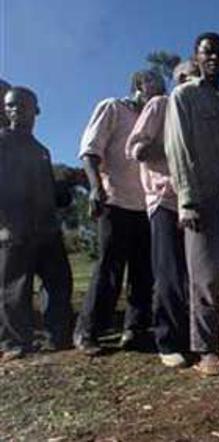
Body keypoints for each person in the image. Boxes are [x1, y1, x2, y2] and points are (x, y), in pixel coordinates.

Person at [74, 70, 164, 355]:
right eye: (155, 84)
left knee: (143, 272)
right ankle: (88, 332)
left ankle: (135, 331)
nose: (161, 90)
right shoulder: (113, 107)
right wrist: (95, 188)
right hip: (115, 200)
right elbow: (90, 150)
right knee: (110, 268)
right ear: (139, 85)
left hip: (147, 204)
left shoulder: (155, 118)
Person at [165, 32, 219, 376]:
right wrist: (187, 200)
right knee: (204, 277)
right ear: (196, 56)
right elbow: (177, 149)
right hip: (200, 199)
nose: (214, 57)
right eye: (207, 52)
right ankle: (205, 349)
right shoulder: (182, 96)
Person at [126, 60, 199, 368]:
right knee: (169, 273)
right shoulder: (160, 105)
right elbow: (137, 150)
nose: (191, 80)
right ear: (175, 80)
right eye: (184, 76)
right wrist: (176, 155)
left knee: (195, 273)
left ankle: (197, 336)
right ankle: (168, 340)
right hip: (165, 200)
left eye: (195, 75)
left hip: (197, 201)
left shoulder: (203, 109)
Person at [0, 87, 73, 361]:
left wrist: (64, 190)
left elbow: (46, 190)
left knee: (59, 281)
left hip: (47, 228)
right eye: (10, 106)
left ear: (35, 110)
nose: (15, 109)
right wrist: (3, 225)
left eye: (22, 104)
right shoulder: (2, 141)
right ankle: (14, 343)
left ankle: (57, 335)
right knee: (14, 288)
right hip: (14, 228)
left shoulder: (41, 150)